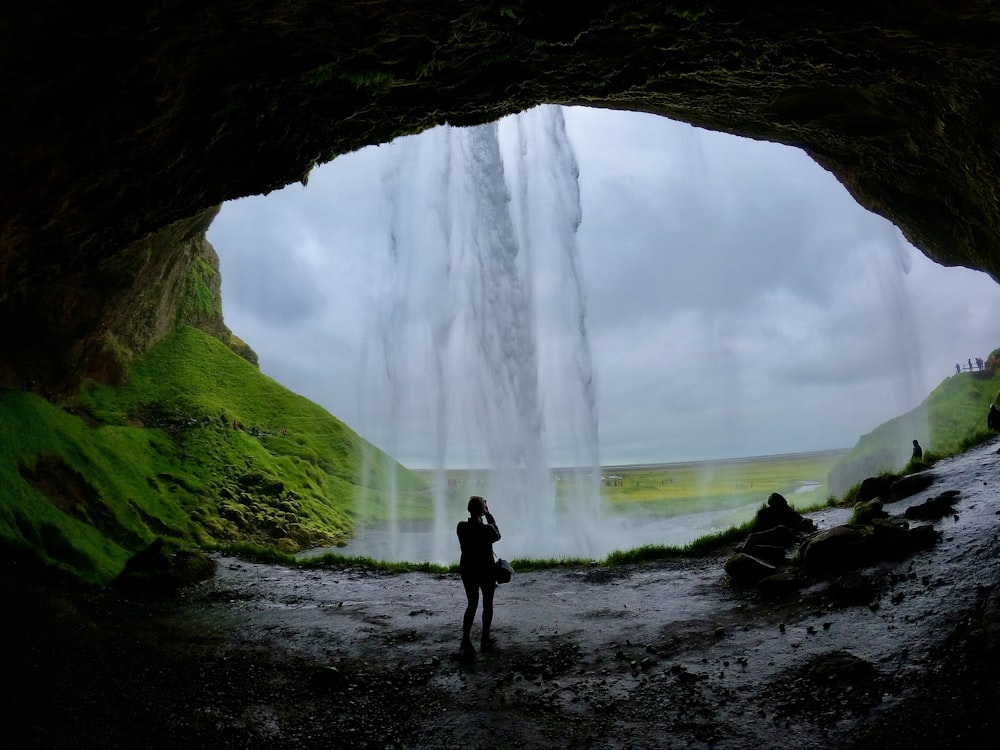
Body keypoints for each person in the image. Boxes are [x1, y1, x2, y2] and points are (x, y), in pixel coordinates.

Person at [456, 495, 501, 656]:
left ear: (468, 509)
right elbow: (497, 534)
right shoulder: (487, 529)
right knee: (487, 605)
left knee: (472, 604)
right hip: (486, 570)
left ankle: (465, 639)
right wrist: (489, 514)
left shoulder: (461, 527)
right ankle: (485, 638)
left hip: (468, 569)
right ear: (482, 510)